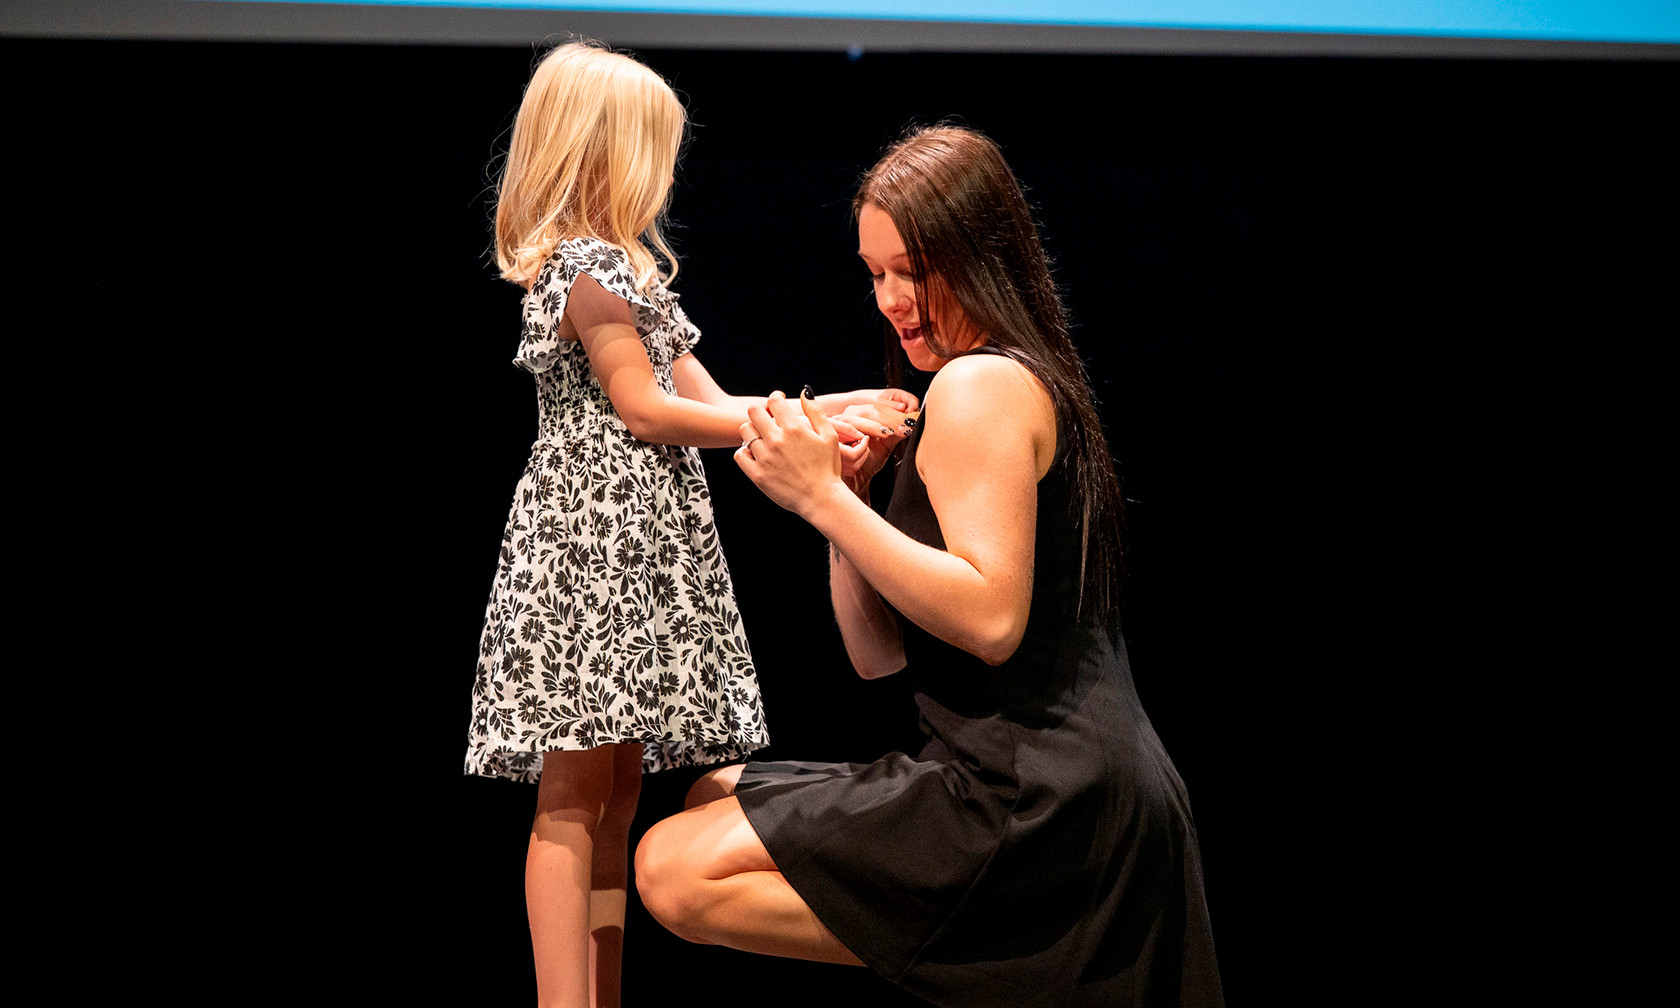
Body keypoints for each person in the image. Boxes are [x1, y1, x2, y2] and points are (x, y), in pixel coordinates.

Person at [633, 124, 1224, 1007]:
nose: (891, 299)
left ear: (981, 257)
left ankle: (993, 961)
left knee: (675, 870)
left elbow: (989, 621)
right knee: (712, 797)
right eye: (875, 274)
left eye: (912, 269)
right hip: (1021, 778)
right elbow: (879, 658)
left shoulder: (981, 386)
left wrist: (815, 499)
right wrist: (850, 502)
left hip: (1043, 799)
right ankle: (993, 958)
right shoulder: (989, 379)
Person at [462, 41, 916, 1008]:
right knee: (574, 797)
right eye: (651, 150)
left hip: (639, 548)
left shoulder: (630, 274)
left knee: (617, 795)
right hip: (592, 550)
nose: (663, 172)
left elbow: (714, 394)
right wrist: (808, 418)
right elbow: (650, 410)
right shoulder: (585, 268)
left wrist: (827, 405)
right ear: (605, 152)